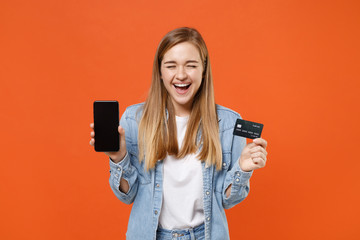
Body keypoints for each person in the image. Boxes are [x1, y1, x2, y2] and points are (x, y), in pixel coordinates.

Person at [90, 27, 268, 240]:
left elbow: (227, 200)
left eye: (191, 65)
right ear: (160, 71)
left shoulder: (229, 123)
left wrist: (243, 169)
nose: (181, 74)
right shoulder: (134, 119)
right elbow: (127, 195)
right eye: (171, 65)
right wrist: (118, 157)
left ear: (203, 69)